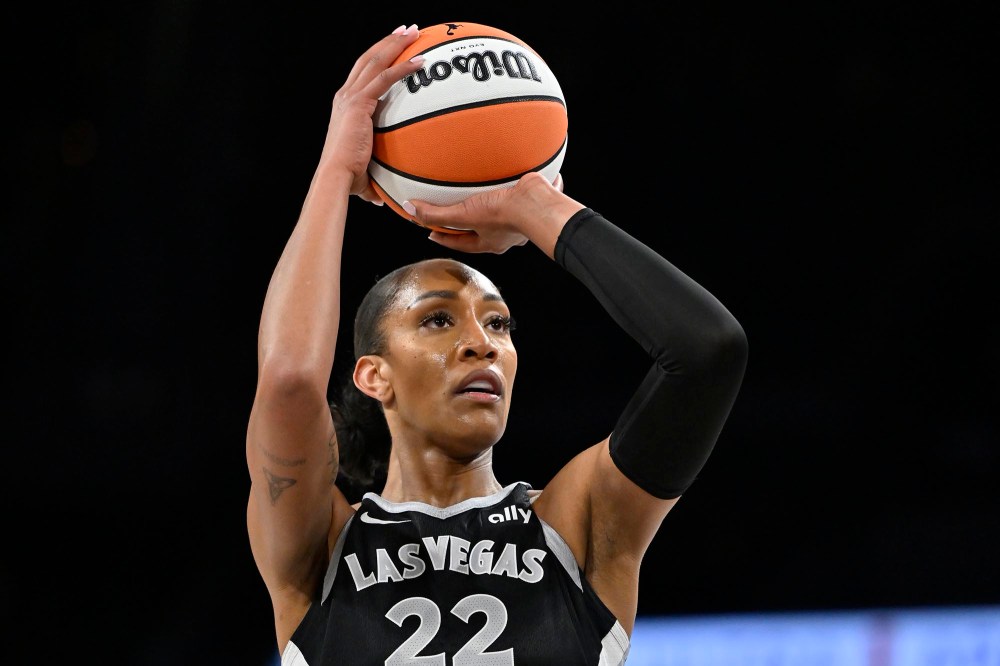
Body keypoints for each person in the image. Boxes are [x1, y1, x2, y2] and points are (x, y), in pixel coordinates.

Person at [246, 24, 748, 666]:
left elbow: (708, 351)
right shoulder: (322, 545)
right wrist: (334, 171)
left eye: (500, 324)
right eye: (437, 321)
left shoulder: (578, 527)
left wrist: (533, 202)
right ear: (374, 376)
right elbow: (288, 379)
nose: (481, 344)